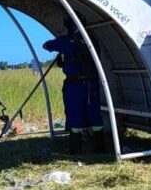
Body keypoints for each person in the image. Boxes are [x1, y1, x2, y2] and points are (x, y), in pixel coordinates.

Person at [42, 17, 105, 154]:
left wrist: (62, 44)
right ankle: (100, 148)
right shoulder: (92, 40)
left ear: (69, 26)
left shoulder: (66, 41)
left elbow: (46, 46)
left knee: (74, 113)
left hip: (74, 84)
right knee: (94, 112)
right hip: (92, 83)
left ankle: (75, 150)